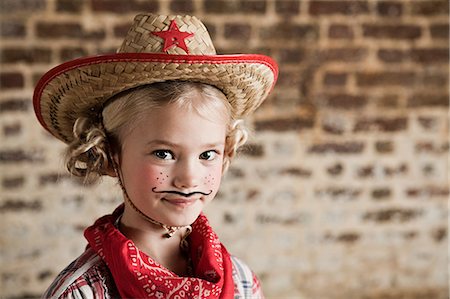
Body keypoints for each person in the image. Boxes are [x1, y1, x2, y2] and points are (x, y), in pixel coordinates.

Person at [33, 13, 278, 299]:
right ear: (110, 155)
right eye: (164, 153)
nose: (189, 177)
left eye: (207, 154)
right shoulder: (82, 293)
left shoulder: (241, 282)